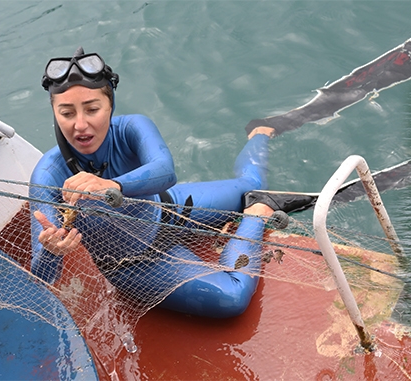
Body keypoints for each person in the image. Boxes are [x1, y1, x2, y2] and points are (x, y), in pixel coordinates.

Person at [29, 47, 280, 318]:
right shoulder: (49, 175)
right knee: (232, 298)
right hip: (136, 264)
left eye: (92, 109)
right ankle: (256, 217)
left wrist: (113, 186)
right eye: (66, 113)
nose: (80, 125)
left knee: (251, 186)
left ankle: (260, 131)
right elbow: (44, 276)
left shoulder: (131, 128)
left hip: (171, 209)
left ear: (110, 105)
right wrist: (51, 251)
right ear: (54, 112)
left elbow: (165, 173)